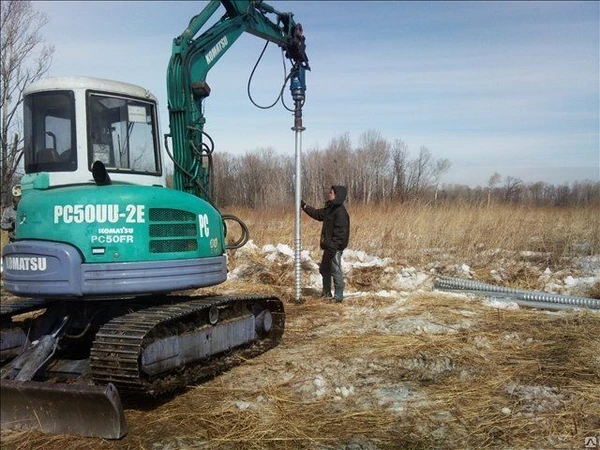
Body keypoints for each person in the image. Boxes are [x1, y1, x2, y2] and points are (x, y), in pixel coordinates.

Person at [301, 185, 350, 302]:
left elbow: (340, 234)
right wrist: (304, 206)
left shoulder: (341, 212)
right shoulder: (330, 209)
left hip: (335, 248)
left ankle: (338, 297)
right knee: (324, 269)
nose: (329, 194)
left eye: (331, 192)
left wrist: (332, 248)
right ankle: (326, 293)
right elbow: (317, 214)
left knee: (335, 270)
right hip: (329, 247)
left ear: (337, 195)